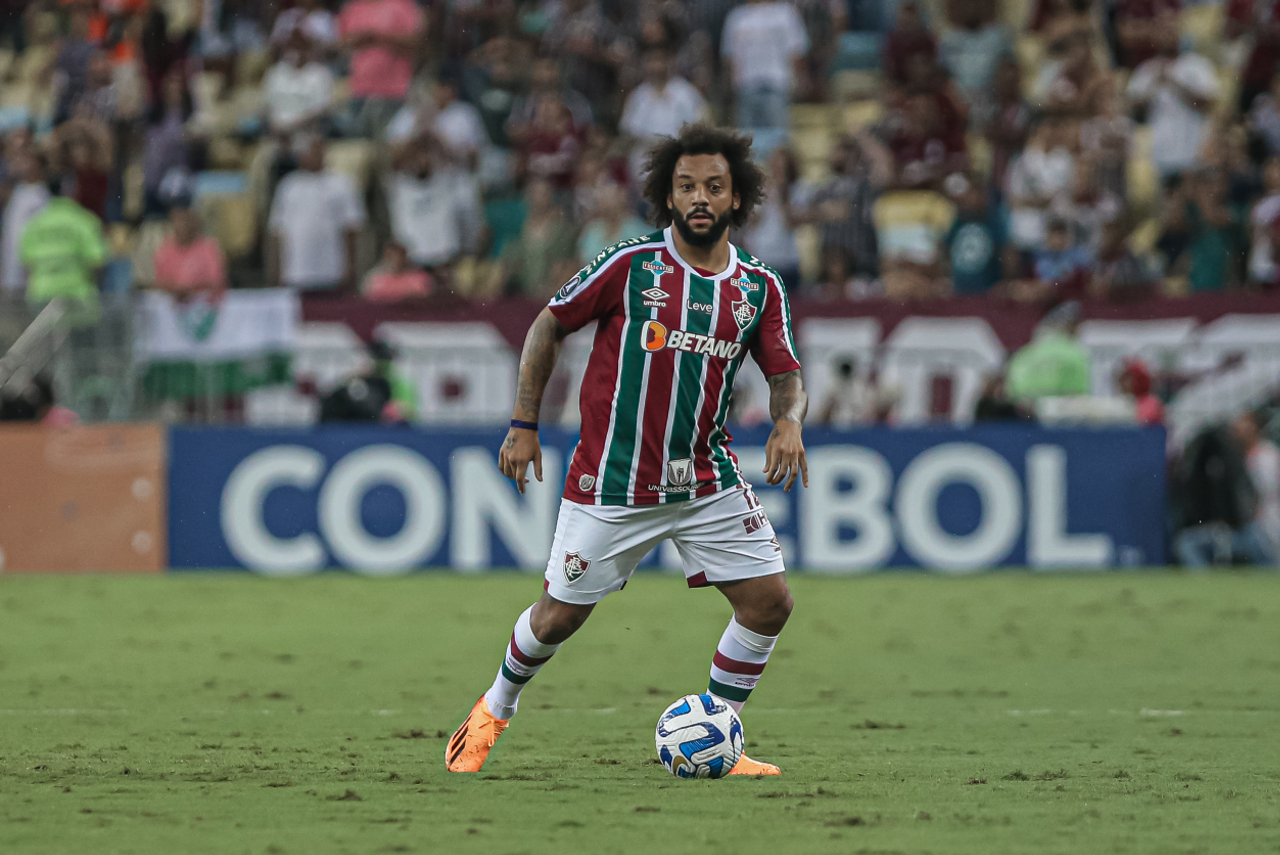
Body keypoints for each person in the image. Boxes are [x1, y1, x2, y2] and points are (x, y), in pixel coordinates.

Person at [445, 123, 808, 778]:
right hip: (614, 482)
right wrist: (523, 422)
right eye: (687, 186)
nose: (701, 197)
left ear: (736, 198)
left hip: (704, 477)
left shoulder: (759, 286)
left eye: (714, 187)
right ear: (667, 198)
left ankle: (721, 736)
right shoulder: (631, 264)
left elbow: (785, 372)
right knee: (557, 617)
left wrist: (789, 423)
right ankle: (493, 709)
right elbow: (547, 324)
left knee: (769, 601)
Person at [1125, 15, 1219, 182]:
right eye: (1163, 31)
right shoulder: (1146, 70)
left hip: (1193, 152)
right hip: (1158, 156)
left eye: (1171, 31)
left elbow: (1206, 105)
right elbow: (1133, 113)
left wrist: (1174, 83)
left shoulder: (1197, 65)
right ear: (1155, 36)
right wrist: (1151, 88)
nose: (1168, 36)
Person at [267, 135, 366, 292]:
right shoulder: (289, 186)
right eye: (308, 152)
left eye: (317, 151)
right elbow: (279, 232)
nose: (314, 156)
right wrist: (278, 273)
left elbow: (351, 228)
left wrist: (351, 268)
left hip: (332, 271)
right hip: (296, 272)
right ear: (300, 155)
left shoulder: (341, 183)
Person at [21, 176, 105, 326]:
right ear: (72, 190)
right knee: (79, 347)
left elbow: (27, 263)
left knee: (48, 346)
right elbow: (96, 261)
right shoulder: (83, 221)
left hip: (42, 295)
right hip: (77, 296)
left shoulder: (34, 223)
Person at [619, 45, 708, 183]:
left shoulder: (686, 93)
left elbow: (700, 125)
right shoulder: (638, 97)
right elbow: (629, 132)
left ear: (669, 62)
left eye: (660, 60)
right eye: (652, 61)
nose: (656, 66)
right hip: (646, 171)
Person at [338, 0, 425, 137]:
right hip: (360, 91)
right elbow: (343, 42)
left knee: (390, 147)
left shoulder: (402, 5)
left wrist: (378, 37)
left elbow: (415, 42)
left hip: (394, 92)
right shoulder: (353, 7)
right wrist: (363, 38)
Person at [720, 0, 809, 129]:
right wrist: (734, 85)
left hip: (777, 85)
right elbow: (729, 56)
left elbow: (796, 51)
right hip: (746, 87)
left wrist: (797, 82)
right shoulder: (737, 17)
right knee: (747, 141)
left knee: (777, 139)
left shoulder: (785, 14)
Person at [1006, 300, 1090, 402]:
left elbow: (1012, 391)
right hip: (1062, 412)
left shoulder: (1024, 354)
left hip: (1025, 412)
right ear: (1071, 326)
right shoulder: (1075, 354)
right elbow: (1081, 394)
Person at [151, 200, 228, 301]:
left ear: (194, 221)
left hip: (205, 307)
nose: (182, 225)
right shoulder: (165, 249)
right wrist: (176, 289)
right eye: (177, 220)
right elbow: (159, 282)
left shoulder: (209, 247)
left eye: (185, 220)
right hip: (172, 307)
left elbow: (217, 281)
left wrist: (191, 288)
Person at [1, 150, 49, 294]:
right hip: (10, 264)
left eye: (26, 161)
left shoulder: (42, 194)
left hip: (31, 267)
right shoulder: (15, 192)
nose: (20, 165)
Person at [1236, 409, 1280, 560]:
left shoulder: (1268, 453)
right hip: (1252, 514)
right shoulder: (1239, 455)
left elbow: (1269, 486)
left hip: (1269, 509)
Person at [576, 181, 647, 264]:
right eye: (601, 193)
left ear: (622, 195)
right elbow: (581, 262)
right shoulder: (592, 229)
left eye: (607, 194)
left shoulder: (638, 230)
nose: (601, 197)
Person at [362, 240, 432, 302]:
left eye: (399, 255)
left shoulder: (419, 278)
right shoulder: (373, 279)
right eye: (390, 255)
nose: (395, 259)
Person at [816, 357, 876, 426]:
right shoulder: (832, 387)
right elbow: (823, 411)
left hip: (857, 425)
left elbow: (867, 410)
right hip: (836, 425)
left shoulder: (860, 387)